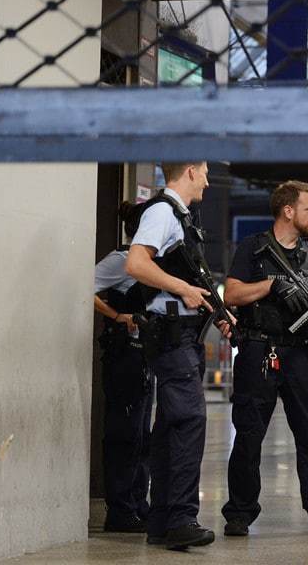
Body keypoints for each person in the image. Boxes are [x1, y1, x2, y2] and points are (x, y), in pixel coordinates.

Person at [220, 180, 308, 538]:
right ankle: (240, 513)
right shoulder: (253, 249)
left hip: (300, 355)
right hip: (259, 351)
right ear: (288, 210)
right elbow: (231, 293)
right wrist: (271, 286)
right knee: (248, 435)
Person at [125, 161, 232, 551]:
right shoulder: (161, 212)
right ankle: (182, 517)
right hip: (170, 335)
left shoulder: (183, 220)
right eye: (204, 171)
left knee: (172, 425)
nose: (207, 179)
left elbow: (187, 277)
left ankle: (161, 521)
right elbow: (136, 264)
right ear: (189, 171)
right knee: (190, 420)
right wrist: (183, 290)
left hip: (185, 333)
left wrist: (213, 310)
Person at [94, 201, 152, 533]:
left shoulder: (146, 266)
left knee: (141, 436)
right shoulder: (122, 260)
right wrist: (116, 316)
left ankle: (137, 504)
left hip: (143, 358)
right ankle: (120, 511)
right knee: (123, 435)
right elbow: (84, 287)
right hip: (123, 357)